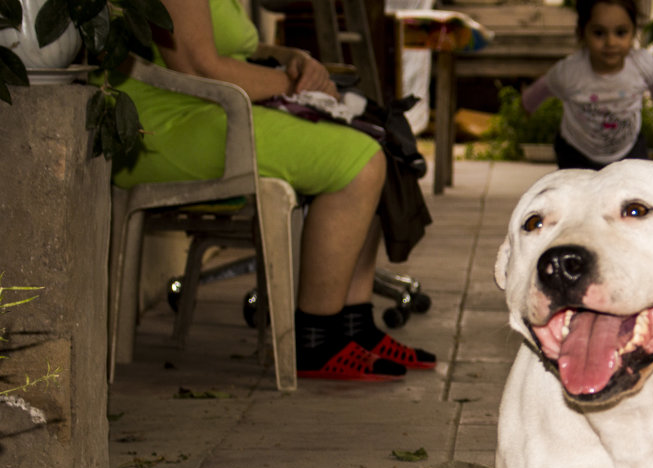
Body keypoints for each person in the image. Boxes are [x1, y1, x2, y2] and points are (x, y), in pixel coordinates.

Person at [110, 0, 436, 382]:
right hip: (164, 123)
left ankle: (353, 324)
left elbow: (236, 46)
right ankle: (315, 338)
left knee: (376, 135)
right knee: (360, 162)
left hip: (211, 106)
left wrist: (289, 57)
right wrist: (294, 85)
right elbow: (198, 65)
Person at [521, 0, 653, 170]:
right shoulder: (570, 72)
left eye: (620, 33)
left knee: (639, 186)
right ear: (582, 33)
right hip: (577, 151)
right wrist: (527, 106)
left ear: (633, 32)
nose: (611, 42)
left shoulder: (642, 64)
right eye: (599, 33)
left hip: (629, 149)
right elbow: (542, 88)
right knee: (576, 192)